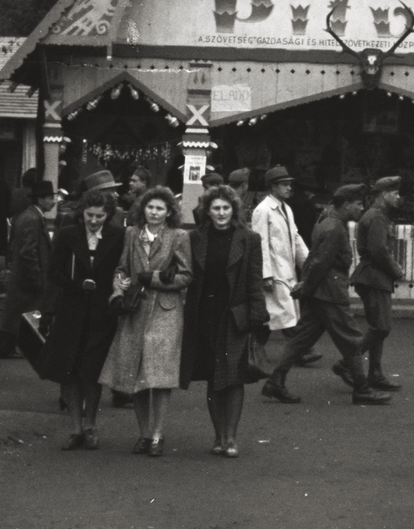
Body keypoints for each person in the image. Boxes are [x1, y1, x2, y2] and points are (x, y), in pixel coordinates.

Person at [262, 184, 391, 405]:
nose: (361, 208)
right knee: (351, 339)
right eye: (358, 204)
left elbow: (315, 260)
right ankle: (362, 388)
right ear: (346, 204)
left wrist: (307, 287)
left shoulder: (325, 222)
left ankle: (276, 380)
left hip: (320, 291)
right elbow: (320, 262)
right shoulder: (335, 229)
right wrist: (306, 286)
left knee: (301, 339)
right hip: (330, 292)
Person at [100, 185, 193, 456]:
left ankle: (158, 435)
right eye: (150, 207)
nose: (154, 212)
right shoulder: (132, 233)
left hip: (165, 312)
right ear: (144, 209)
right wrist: (118, 292)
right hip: (136, 309)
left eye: (160, 208)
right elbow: (121, 269)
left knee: (160, 377)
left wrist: (155, 279)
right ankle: (143, 434)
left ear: (169, 212)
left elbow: (186, 275)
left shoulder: (178, 236)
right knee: (136, 374)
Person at [180, 184, 267, 458]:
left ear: (234, 210)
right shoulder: (195, 238)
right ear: (207, 211)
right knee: (212, 376)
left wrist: (258, 316)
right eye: (215, 208)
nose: (221, 213)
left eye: (226, 208)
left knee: (233, 377)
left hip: (235, 316)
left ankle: (231, 438)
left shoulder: (249, 239)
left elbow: (255, 279)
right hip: (205, 314)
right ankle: (218, 437)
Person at [39, 188, 125, 450]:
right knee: (71, 372)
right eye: (89, 215)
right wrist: (77, 285)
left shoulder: (118, 236)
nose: (94, 220)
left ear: (108, 215)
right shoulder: (68, 234)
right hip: (72, 312)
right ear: (82, 213)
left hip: (101, 313)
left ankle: (91, 426)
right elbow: (54, 272)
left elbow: (121, 270)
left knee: (92, 372)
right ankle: (75, 429)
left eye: (100, 216)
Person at [252, 166, 317, 367]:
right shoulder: (263, 210)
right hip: (274, 271)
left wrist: (307, 263)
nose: (289, 188)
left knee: (275, 314)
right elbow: (260, 243)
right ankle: (302, 351)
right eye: (284, 184)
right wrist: (265, 274)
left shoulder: (286, 208)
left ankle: (254, 350)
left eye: (290, 184)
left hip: (286, 269)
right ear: (273, 187)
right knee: (284, 312)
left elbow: (295, 238)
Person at [353, 175, 405, 392]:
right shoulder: (377, 216)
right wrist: (396, 270)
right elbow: (378, 251)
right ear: (384, 195)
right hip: (374, 277)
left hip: (372, 276)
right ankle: (347, 363)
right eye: (395, 193)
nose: (398, 197)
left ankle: (375, 373)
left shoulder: (376, 214)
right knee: (381, 328)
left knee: (378, 327)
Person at [0, 179, 56, 358]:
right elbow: (28, 251)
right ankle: (5, 348)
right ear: (40, 199)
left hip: (24, 276)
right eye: (50, 198)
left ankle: (5, 347)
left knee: (16, 313)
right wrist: (36, 276)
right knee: (18, 314)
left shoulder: (30, 216)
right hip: (27, 277)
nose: (53, 202)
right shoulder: (32, 219)